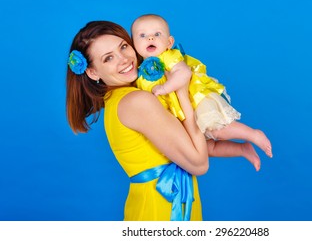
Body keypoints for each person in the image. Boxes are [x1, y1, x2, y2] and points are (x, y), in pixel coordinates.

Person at [66, 20, 250, 221]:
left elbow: (188, 144)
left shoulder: (120, 99)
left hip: (164, 200)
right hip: (160, 207)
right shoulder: (136, 101)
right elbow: (199, 164)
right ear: (92, 72)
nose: (124, 59)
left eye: (124, 46)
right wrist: (181, 89)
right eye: (108, 58)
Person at [131, 14, 273, 172]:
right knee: (207, 148)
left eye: (157, 34)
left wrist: (165, 88)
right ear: (134, 43)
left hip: (194, 103)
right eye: (142, 35)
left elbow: (183, 74)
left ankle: (253, 134)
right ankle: (242, 149)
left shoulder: (168, 56)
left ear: (169, 42)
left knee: (216, 130)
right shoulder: (139, 70)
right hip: (179, 115)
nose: (150, 38)